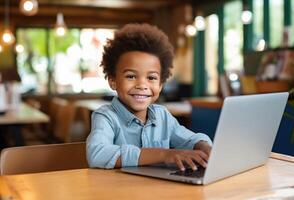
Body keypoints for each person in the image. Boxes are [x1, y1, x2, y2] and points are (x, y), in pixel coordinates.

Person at [86, 23, 212, 171]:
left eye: (151, 78)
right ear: (113, 81)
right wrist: (164, 155)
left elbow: (191, 140)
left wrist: (204, 147)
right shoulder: (106, 117)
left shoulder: (162, 116)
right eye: (131, 76)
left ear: (160, 85)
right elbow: (97, 154)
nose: (142, 85)